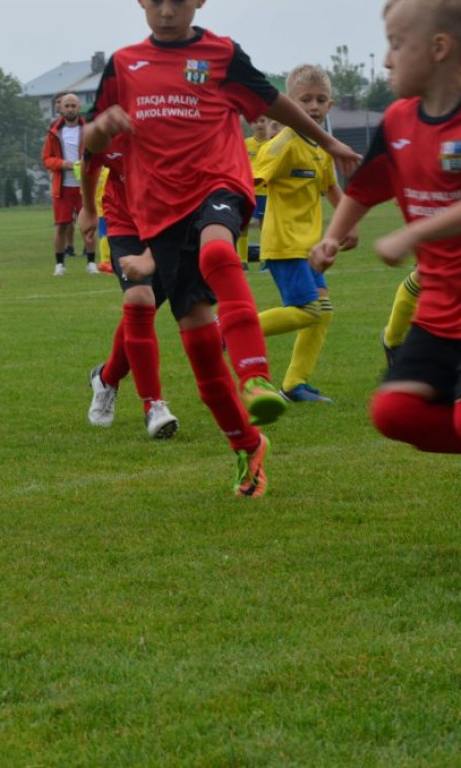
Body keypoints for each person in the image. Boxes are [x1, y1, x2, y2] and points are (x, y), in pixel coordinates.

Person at [82, 0, 361, 497]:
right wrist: (99, 132)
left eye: (179, 0)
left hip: (218, 183)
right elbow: (91, 137)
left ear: (199, 2)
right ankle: (247, 446)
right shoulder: (123, 64)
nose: (167, 10)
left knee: (217, 252)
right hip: (158, 209)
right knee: (201, 350)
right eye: (157, 0)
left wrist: (328, 143)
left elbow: (273, 101)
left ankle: (257, 378)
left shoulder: (222, 53)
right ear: (141, 2)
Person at [310, 0, 461, 455]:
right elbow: (365, 186)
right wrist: (332, 236)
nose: (389, 59)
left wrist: (414, 233)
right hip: (439, 309)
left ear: (439, 47)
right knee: (394, 413)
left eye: (397, 45)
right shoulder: (397, 120)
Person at [254, 64, 359, 403]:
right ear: (289, 104)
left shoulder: (321, 146)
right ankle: (231, 330)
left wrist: (349, 223)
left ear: (331, 105)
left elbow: (331, 188)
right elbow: (246, 183)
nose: (313, 106)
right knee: (309, 310)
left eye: (320, 100)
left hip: (310, 247)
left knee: (322, 312)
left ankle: (295, 384)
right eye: (305, 100)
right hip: (284, 244)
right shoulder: (281, 146)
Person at [79, 135, 179, 438]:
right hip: (125, 223)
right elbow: (89, 161)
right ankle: (153, 405)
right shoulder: (113, 125)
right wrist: (88, 209)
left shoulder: (174, 126)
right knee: (139, 298)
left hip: (169, 222)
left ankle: (106, 378)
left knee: (144, 311)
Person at [42, 92, 98, 276]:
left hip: (86, 187)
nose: (70, 109)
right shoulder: (53, 132)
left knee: (88, 226)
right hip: (63, 187)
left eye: (73, 105)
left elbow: (100, 151)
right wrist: (61, 164)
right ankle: (59, 264)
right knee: (61, 226)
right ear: (61, 108)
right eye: (66, 106)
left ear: (79, 107)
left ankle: (91, 262)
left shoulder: (88, 128)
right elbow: (46, 159)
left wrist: (87, 162)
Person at [236, 115, 270, 269]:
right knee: (243, 225)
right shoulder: (245, 144)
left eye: (262, 121)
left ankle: (265, 259)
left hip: (266, 192)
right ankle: (242, 260)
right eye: (256, 121)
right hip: (248, 191)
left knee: (265, 227)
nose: (260, 124)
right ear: (251, 125)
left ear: (268, 123)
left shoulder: (272, 145)